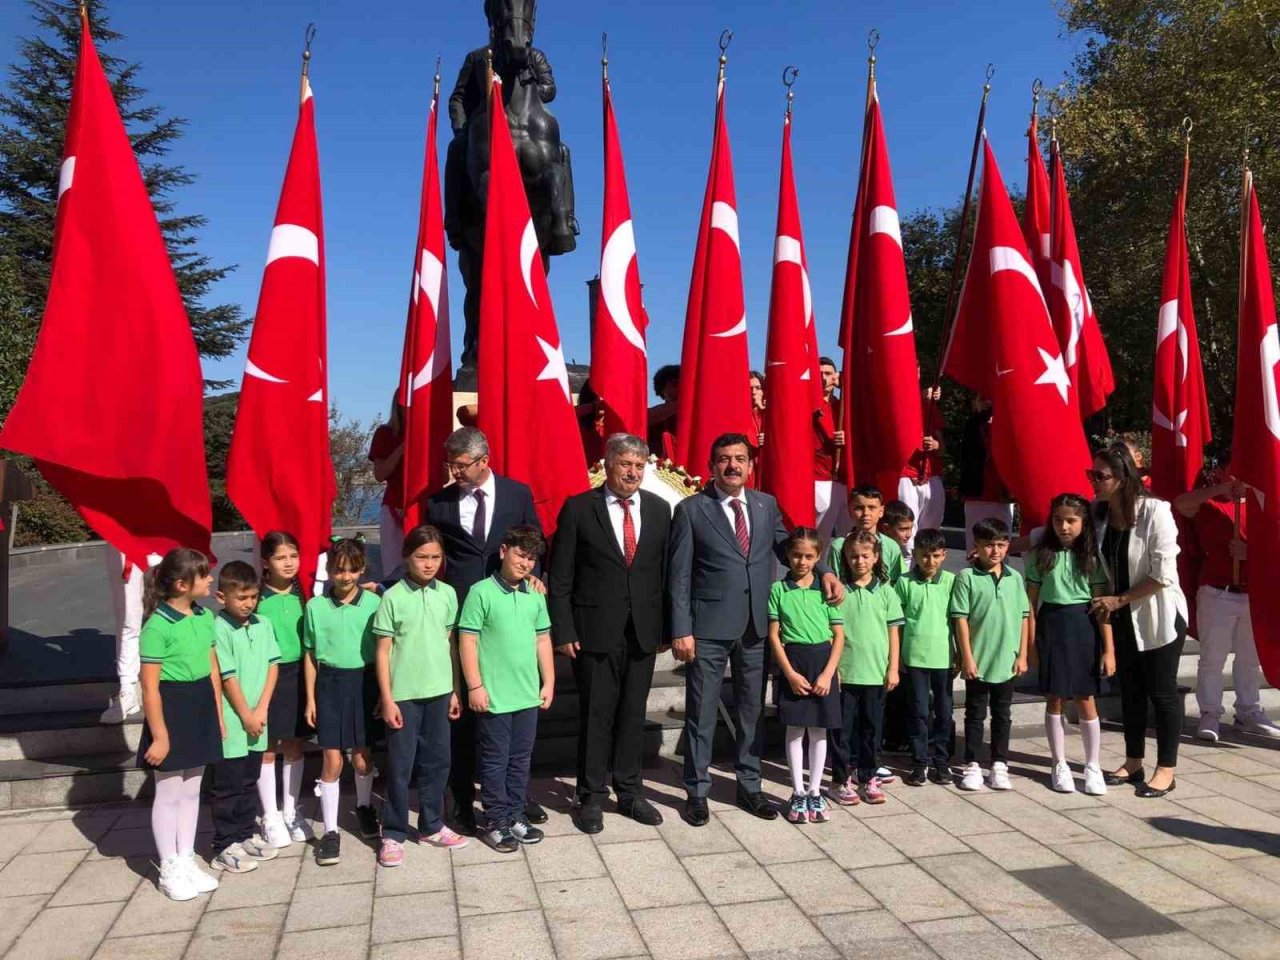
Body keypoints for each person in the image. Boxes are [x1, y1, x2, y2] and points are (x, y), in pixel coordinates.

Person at [669, 433, 844, 826]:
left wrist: (826, 571)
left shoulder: (765, 505)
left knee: (751, 710)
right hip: (708, 627)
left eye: (740, 458)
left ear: (751, 464)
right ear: (712, 465)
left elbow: (791, 546)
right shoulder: (691, 510)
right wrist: (681, 628)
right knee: (702, 712)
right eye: (724, 459)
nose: (733, 465)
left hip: (756, 627)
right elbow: (678, 576)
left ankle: (750, 785)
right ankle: (697, 791)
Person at [425, 427, 547, 835]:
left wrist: (535, 577)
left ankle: (514, 800)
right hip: (463, 616)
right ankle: (460, 800)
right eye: (451, 464)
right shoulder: (439, 503)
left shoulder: (516, 494)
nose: (453, 472)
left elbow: (533, 541)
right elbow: (426, 553)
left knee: (510, 720)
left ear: (484, 461)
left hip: (509, 612)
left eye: (461, 465)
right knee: (462, 713)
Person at [549, 434, 671, 835]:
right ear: (607, 465)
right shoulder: (579, 508)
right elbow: (562, 576)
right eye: (625, 465)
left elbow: (664, 575)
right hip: (593, 632)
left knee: (633, 714)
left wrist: (667, 627)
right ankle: (590, 796)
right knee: (597, 716)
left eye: (639, 466)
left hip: (642, 632)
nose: (633, 473)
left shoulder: (658, 510)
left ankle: (631, 791)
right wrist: (563, 628)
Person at [1088, 443, 1189, 798]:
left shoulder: (1155, 511)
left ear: (1122, 477)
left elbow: (1162, 573)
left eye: (1100, 476)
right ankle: (1133, 760)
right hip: (1123, 617)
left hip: (1159, 615)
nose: (1094, 481)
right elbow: (1058, 533)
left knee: (1161, 693)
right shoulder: (1099, 514)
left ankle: (1166, 769)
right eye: (1092, 474)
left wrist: (1118, 599)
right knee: (1130, 690)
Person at [373, 525, 469, 868]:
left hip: (440, 692)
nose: (428, 564)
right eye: (421, 557)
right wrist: (387, 698)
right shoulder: (393, 597)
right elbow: (383, 652)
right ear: (406, 557)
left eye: (435, 558)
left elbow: (449, 645)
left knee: (437, 761)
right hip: (404, 696)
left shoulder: (447, 594)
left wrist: (455, 689)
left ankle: (431, 824)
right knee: (400, 765)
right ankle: (394, 831)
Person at [458, 526, 556, 853]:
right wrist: (475, 685)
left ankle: (515, 814)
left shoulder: (534, 595)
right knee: (495, 760)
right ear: (503, 551)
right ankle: (495, 819)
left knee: (520, 759)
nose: (525, 563)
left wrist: (549, 681)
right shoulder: (480, 592)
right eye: (519, 554)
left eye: (531, 558)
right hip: (494, 696)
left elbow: (542, 639)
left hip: (526, 694)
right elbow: (468, 640)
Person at [136, 548, 223, 902]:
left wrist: (217, 714)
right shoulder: (156, 626)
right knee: (169, 791)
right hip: (171, 709)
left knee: (192, 790)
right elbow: (149, 686)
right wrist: (159, 735)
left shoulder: (204, 617)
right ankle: (169, 866)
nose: (210, 580)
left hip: (200, 704)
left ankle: (186, 859)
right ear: (183, 584)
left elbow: (212, 668)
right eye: (204, 576)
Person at [1175, 476, 1280, 740]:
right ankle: (1210, 713)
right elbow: (1181, 504)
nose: (1240, 481)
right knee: (1213, 657)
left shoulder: (1263, 507)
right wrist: (1220, 490)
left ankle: (1248, 710)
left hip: (1253, 594)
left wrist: (1250, 554)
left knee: (1249, 659)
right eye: (1233, 474)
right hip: (1217, 592)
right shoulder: (1210, 504)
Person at [1025, 494, 1115, 795]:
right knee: (1055, 697)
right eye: (1058, 520)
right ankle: (1059, 762)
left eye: (1071, 520)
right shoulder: (1042, 555)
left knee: (1086, 697)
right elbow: (1031, 603)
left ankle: (1092, 765)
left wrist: (1109, 649)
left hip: (1084, 625)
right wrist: (1030, 644)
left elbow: (1102, 607)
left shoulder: (1091, 556)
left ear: (1083, 522)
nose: (1064, 526)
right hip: (1051, 623)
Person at [302, 538, 382, 866]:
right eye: (338, 570)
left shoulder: (375, 603)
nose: (345, 576)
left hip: (365, 682)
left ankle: (364, 808)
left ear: (362, 569)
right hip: (330, 685)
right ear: (329, 570)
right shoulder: (315, 607)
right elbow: (309, 653)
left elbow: (383, 651)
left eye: (351, 570)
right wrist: (310, 698)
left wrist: (382, 693)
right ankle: (331, 831)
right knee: (332, 761)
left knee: (362, 758)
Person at [768, 528, 845, 824]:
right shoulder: (778, 590)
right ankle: (798, 791)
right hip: (794, 662)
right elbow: (775, 636)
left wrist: (828, 674)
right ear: (788, 555)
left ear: (818, 557)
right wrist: (788, 673)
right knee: (795, 729)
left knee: (819, 730)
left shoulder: (825, 591)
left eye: (809, 556)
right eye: (797, 555)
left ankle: (815, 790)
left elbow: (838, 637)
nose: (802, 561)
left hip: (822, 662)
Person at [209, 561, 281, 873]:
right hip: (234, 722)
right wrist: (245, 714)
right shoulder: (218, 628)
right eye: (242, 598)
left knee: (250, 780)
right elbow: (227, 677)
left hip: (258, 721)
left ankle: (244, 833)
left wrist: (262, 709)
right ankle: (224, 844)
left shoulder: (263, 624)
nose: (249, 603)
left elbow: (272, 665)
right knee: (228, 785)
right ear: (221, 597)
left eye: (253, 596)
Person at [951, 519, 1029, 792]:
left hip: (1006, 658)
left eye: (1001, 544)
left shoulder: (1014, 578)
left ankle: (999, 763)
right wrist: (967, 657)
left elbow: (1024, 616)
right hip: (979, 659)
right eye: (989, 545)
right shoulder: (966, 578)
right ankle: (972, 763)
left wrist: (1023, 655)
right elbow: (960, 619)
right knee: (974, 713)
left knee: (1002, 713)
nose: (995, 551)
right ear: (977, 546)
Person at [828, 531, 903, 806]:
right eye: (853, 556)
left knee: (872, 729)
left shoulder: (886, 592)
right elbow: (830, 632)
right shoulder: (838, 592)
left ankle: (869, 775)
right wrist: (832, 668)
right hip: (845, 674)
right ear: (845, 558)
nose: (859, 561)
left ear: (876, 557)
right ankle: (840, 779)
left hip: (875, 674)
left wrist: (893, 668)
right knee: (842, 730)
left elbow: (893, 632)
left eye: (865, 556)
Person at [255, 532, 312, 848]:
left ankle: (291, 811)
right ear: (266, 562)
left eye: (293, 555)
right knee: (266, 746)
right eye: (280, 557)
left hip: (297, 676)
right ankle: (270, 814)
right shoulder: (258, 599)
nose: (288, 563)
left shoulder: (303, 597)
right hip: (265, 678)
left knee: (294, 744)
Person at [895, 528, 957, 786]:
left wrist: (962, 654)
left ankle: (942, 762)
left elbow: (959, 620)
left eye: (934, 556)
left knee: (944, 711)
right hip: (915, 658)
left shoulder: (953, 581)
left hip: (944, 657)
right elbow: (896, 623)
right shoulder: (904, 582)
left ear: (943, 555)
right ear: (915, 554)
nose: (929, 561)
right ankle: (919, 761)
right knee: (919, 710)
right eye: (923, 556)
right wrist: (897, 657)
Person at [877, 500, 915, 757]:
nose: (908, 534)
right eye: (903, 529)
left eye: (911, 528)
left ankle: (897, 736)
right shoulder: (883, 549)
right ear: (887, 528)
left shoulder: (904, 552)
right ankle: (887, 736)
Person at [960, 395, 1014, 551]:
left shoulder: (1007, 423)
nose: (987, 403)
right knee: (975, 545)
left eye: (991, 399)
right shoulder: (973, 424)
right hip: (977, 493)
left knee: (1002, 544)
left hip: (1001, 494)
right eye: (983, 399)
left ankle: (1001, 574)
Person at [99, 551, 147, 723]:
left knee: (175, 603)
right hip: (123, 542)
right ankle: (128, 690)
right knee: (128, 617)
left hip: (164, 533)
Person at [899, 384, 946, 549]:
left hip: (931, 476)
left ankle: (926, 570)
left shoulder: (929, 407)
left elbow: (943, 447)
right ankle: (905, 571)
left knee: (931, 531)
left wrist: (936, 445)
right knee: (906, 531)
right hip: (906, 475)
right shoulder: (899, 402)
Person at [828, 486, 904, 587]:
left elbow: (899, 582)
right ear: (850, 511)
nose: (866, 513)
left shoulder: (891, 546)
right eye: (859, 508)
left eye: (872, 508)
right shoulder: (838, 546)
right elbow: (834, 581)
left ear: (881, 511)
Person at [369, 393, 407, 578]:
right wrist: (403, 448)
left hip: (423, 507)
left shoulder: (430, 432)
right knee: (393, 569)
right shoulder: (385, 433)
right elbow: (380, 474)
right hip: (394, 508)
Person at [814, 357, 848, 543]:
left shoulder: (844, 404)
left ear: (836, 377)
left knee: (848, 539)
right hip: (819, 477)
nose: (824, 378)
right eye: (819, 374)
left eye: (828, 373)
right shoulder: (809, 405)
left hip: (845, 479)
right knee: (821, 538)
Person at [647, 365, 680, 463]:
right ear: (662, 389)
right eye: (675, 384)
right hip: (661, 469)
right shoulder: (655, 415)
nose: (680, 388)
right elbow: (643, 420)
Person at [575, 380, 608, 465]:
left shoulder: (612, 421)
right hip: (585, 470)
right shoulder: (580, 419)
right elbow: (566, 414)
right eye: (599, 395)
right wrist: (594, 407)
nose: (603, 400)